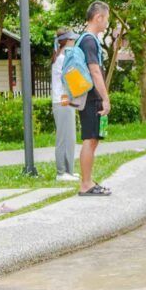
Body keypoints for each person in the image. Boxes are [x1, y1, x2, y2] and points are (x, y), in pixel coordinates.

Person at [76, 2, 112, 197]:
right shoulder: (89, 41)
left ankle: (88, 181)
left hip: (91, 97)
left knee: (93, 139)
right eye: (106, 19)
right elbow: (95, 72)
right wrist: (105, 99)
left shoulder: (86, 39)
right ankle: (86, 184)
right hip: (91, 98)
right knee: (89, 139)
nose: (107, 23)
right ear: (98, 17)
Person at [50, 28, 79, 183]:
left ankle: (68, 170)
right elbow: (70, 80)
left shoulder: (62, 57)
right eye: (73, 40)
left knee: (70, 137)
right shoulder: (62, 59)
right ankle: (61, 172)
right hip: (61, 102)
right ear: (67, 41)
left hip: (66, 102)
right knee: (63, 137)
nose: (74, 43)